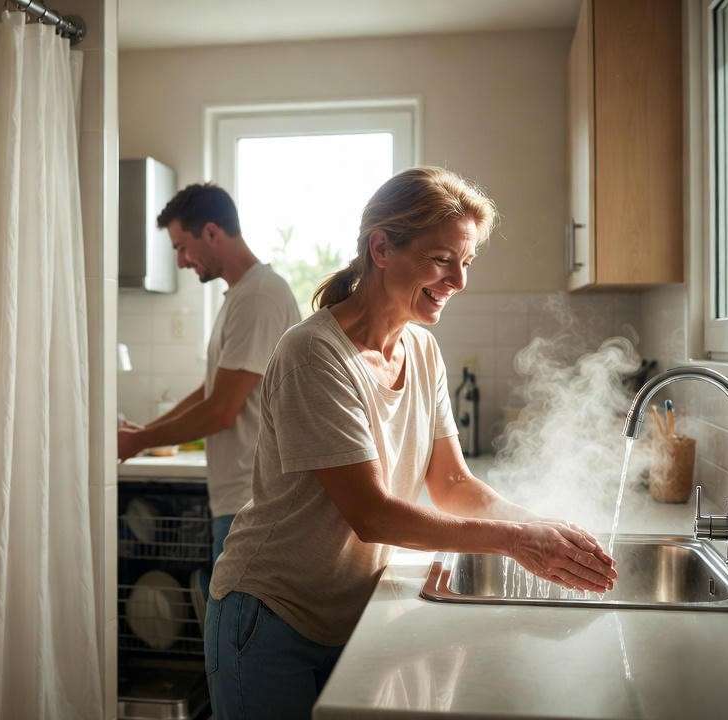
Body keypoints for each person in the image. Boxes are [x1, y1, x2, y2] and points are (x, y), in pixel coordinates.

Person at [204, 167, 617, 720]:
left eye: (465, 263)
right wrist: (518, 541)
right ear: (382, 248)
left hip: (347, 614)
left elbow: (451, 484)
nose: (459, 281)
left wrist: (542, 527)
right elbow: (373, 516)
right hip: (269, 615)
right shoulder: (315, 353)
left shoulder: (421, 350)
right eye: (442, 259)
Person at [117, 183, 301, 598]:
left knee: (237, 642)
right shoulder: (241, 295)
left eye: (183, 246)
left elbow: (221, 410)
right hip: (238, 499)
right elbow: (211, 390)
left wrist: (139, 439)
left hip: (252, 503)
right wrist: (143, 435)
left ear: (213, 232)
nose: (181, 261)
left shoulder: (259, 296)